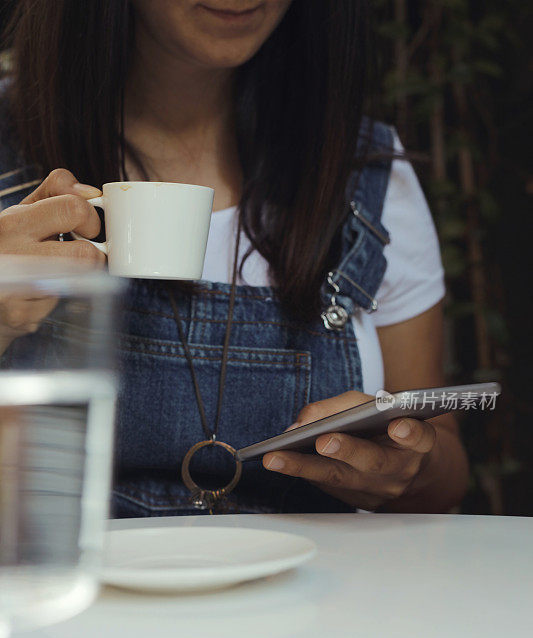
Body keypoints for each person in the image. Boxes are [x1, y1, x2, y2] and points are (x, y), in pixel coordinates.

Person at [0, 0, 468, 516]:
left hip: (313, 594)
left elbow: (442, 475)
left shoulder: (363, 174)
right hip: (62, 589)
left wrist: (406, 468)